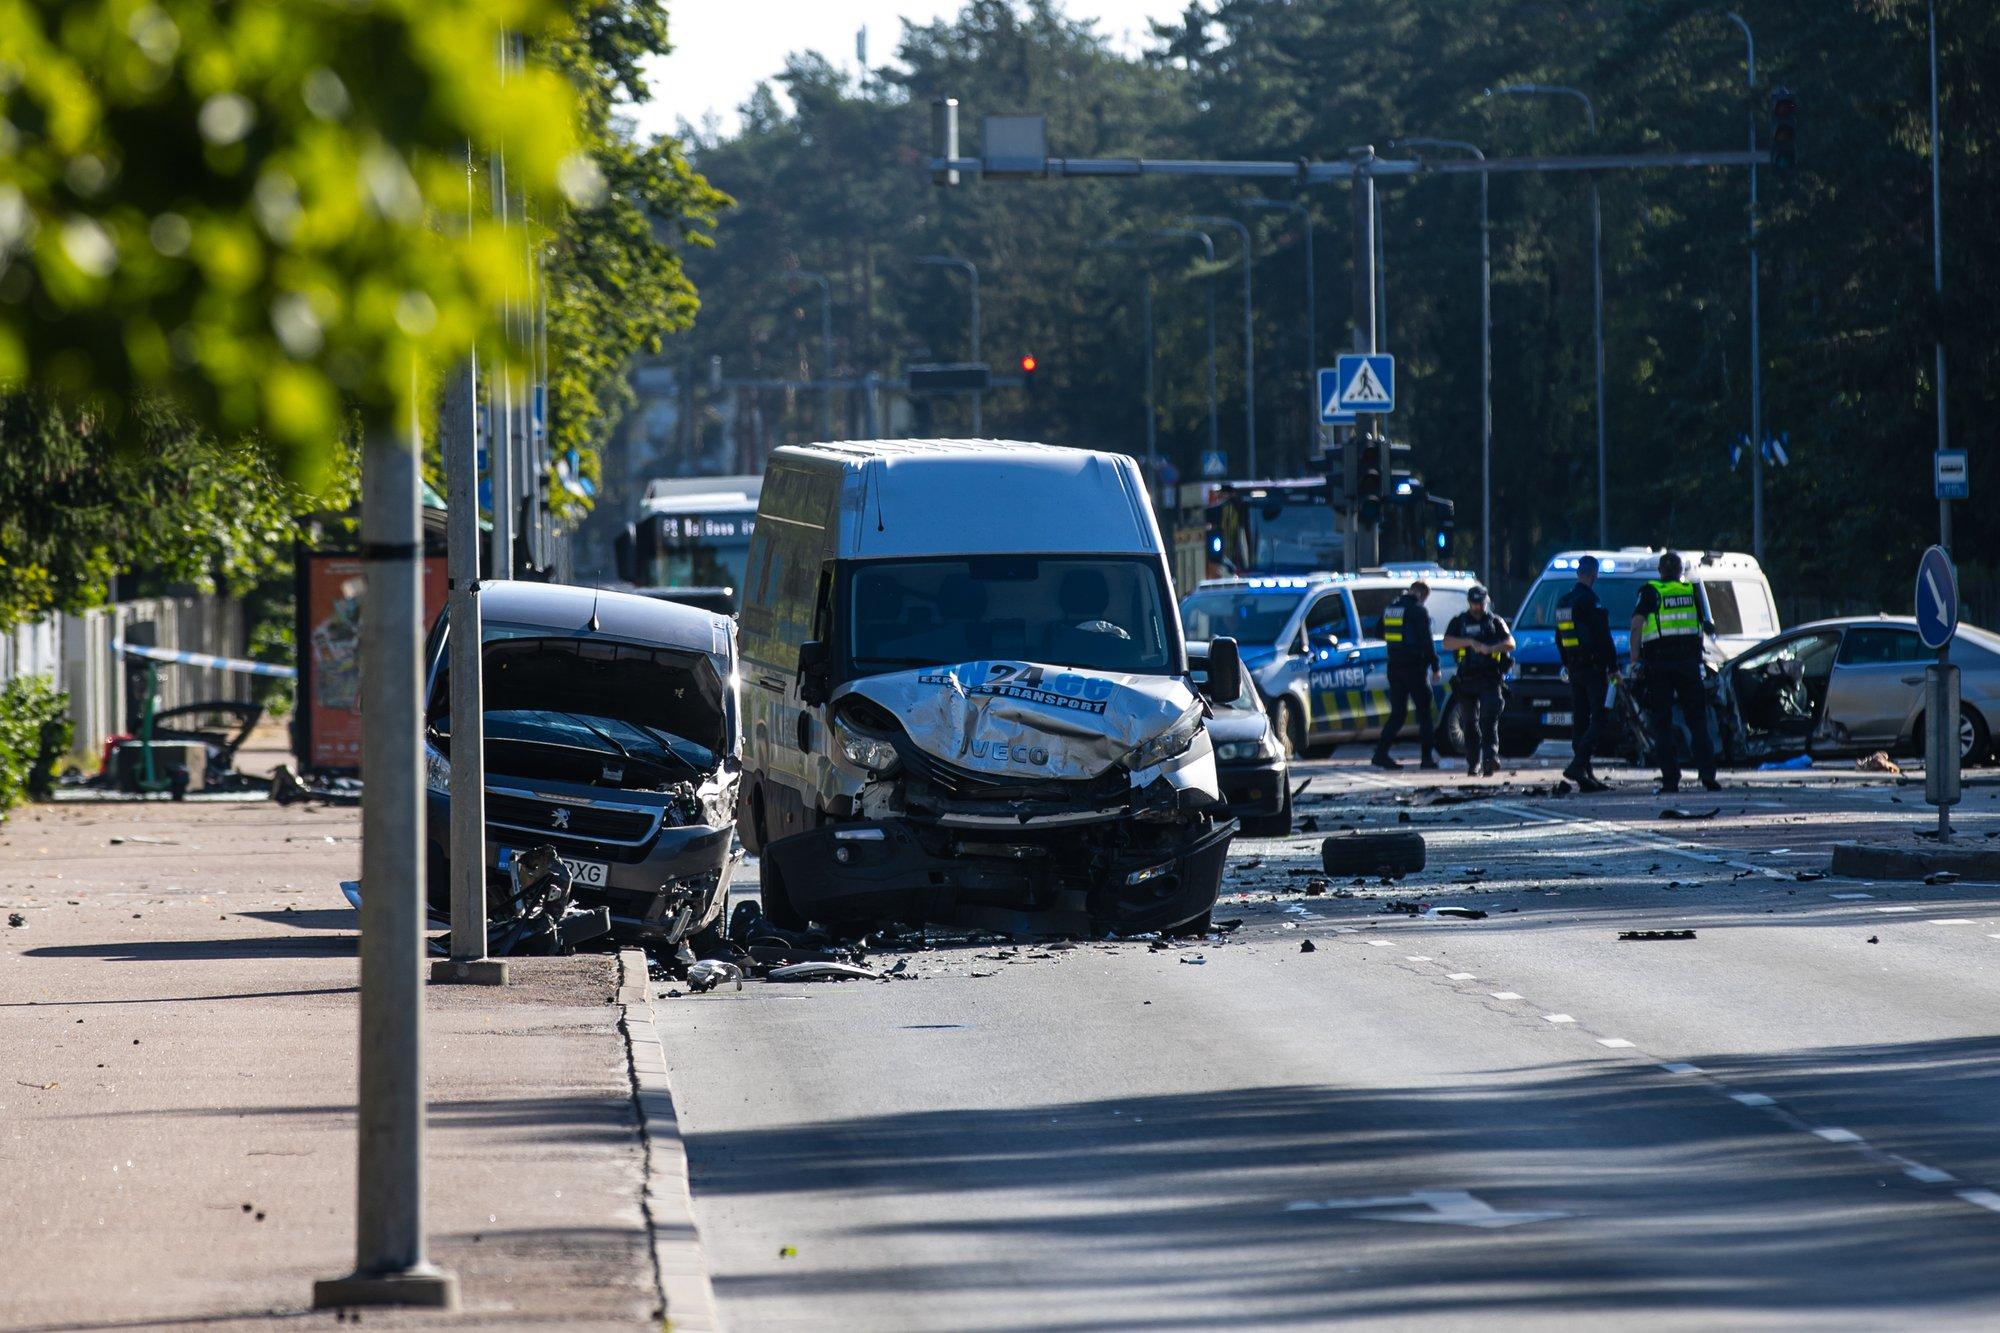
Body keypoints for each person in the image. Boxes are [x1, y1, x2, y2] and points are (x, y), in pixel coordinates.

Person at [1629, 551, 1720, 794]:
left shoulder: (1650, 591)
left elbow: (1637, 625)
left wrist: (1635, 658)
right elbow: (1703, 627)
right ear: (1680, 571)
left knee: (1663, 722)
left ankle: (1671, 779)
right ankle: (1708, 775)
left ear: (1660, 571)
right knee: (1697, 720)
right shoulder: (1691, 591)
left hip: (1659, 666)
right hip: (1689, 665)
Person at [1554, 555, 1618, 792]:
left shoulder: (1563, 602)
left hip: (1574, 668)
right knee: (1600, 717)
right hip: (1592, 668)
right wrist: (1613, 667)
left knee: (1580, 720)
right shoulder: (1590, 601)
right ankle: (1578, 764)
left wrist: (1568, 664)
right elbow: (1603, 637)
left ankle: (1585, 776)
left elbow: (1558, 639)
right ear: (1594, 574)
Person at [1442, 585, 1514, 778]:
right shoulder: (1459, 622)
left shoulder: (1495, 621)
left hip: (1490, 678)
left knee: (1489, 719)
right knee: (1470, 723)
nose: (1477, 608)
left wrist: (1490, 649)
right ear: (1469, 602)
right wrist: (1469, 642)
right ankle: (1474, 763)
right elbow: (1446, 642)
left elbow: (1510, 643)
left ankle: (1490, 759)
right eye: (1474, 603)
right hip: (1467, 680)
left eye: (1481, 604)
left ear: (1486, 602)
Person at [1370, 580, 1441, 770]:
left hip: (1394, 667)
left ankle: (1380, 753)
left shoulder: (1392, 608)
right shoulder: (1418, 610)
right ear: (1422, 594)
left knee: (1398, 714)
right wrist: (1435, 666)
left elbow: (1379, 632)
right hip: (1415, 668)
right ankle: (1426, 758)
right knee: (1425, 713)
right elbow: (1426, 640)